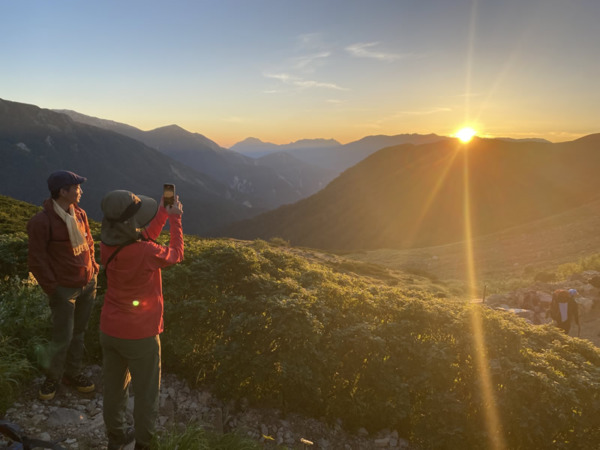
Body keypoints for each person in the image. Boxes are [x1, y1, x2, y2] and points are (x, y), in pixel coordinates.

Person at [99, 189, 184, 450]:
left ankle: (116, 437)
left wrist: (161, 213)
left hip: (110, 330)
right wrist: (175, 219)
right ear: (129, 223)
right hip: (141, 335)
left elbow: (142, 237)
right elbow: (176, 253)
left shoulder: (107, 245)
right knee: (146, 395)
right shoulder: (147, 253)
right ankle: (144, 444)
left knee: (114, 389)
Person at [26, 170, 99, 400]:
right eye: (76, 187)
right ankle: (53, 377)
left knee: (79, 333)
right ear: (63, 191)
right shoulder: (41, 222)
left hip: (87, 284)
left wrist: (94, 267)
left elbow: (88, 242)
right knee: (62, 336)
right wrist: (53, 288)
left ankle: (73, 373)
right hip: (64, 290)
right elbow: (36, 260)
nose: (81, 191)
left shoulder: (79, 214)